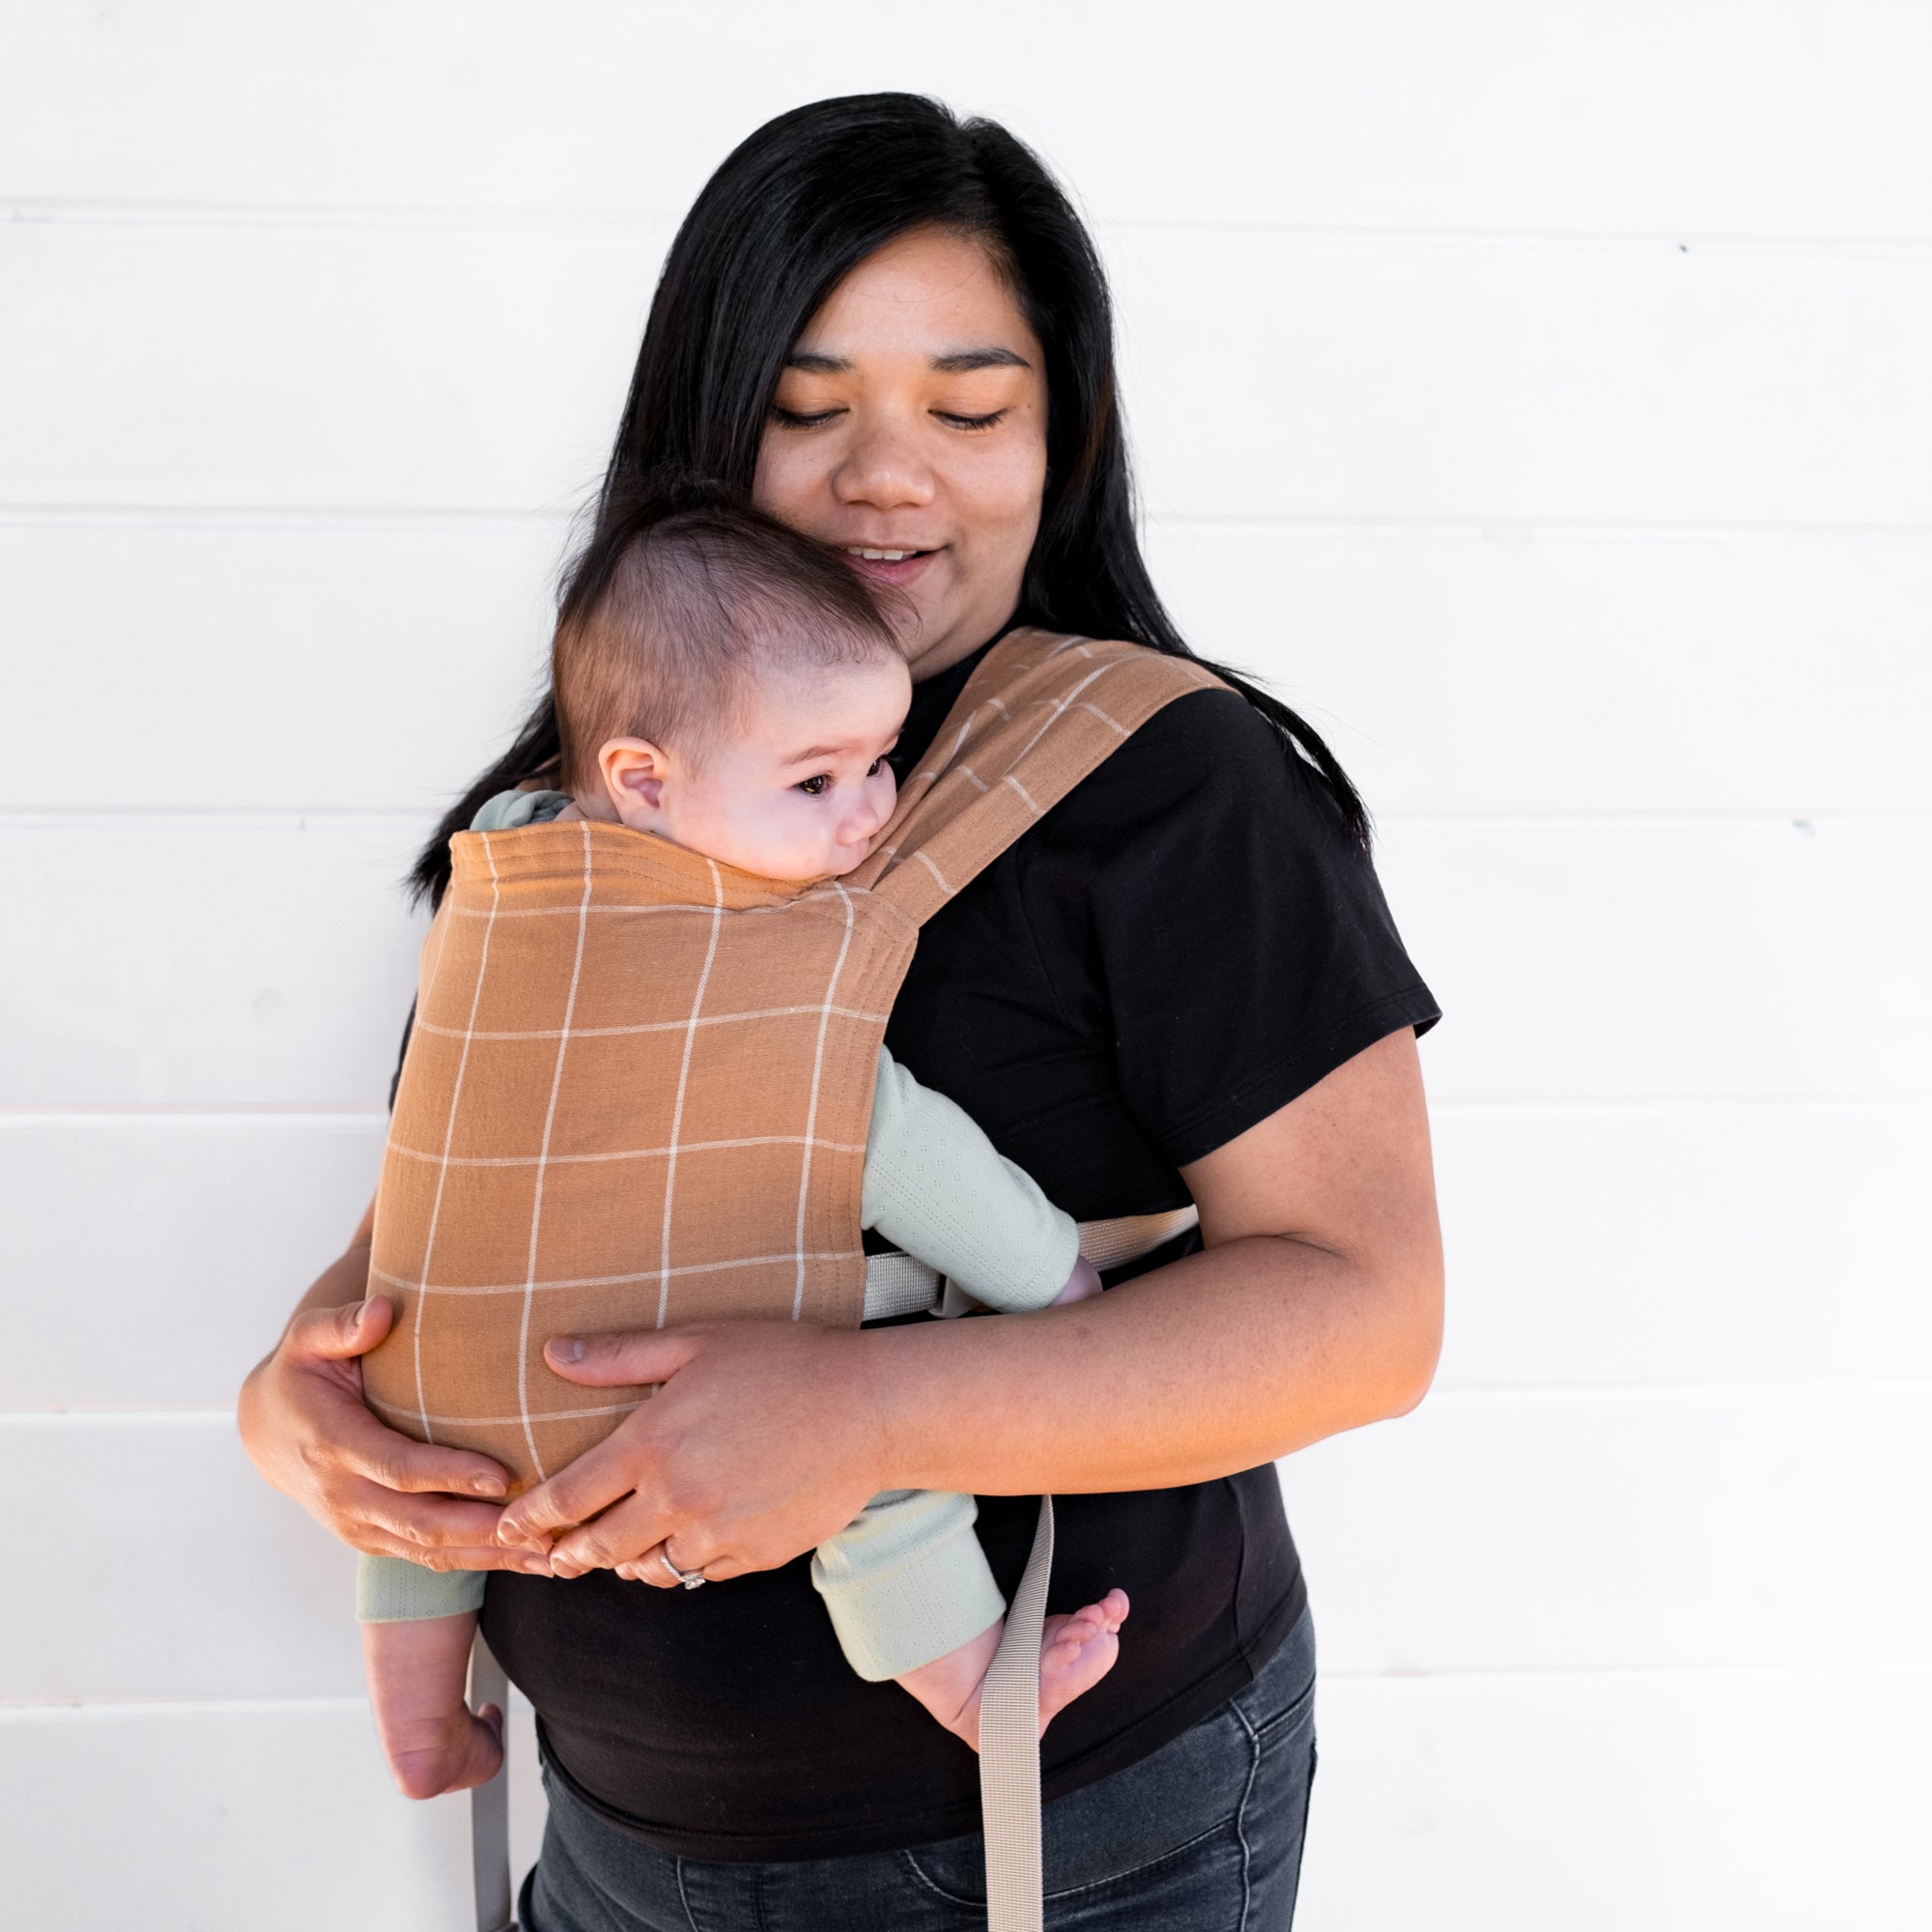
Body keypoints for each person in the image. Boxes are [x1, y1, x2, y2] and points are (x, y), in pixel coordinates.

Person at [240, 93, 1444, 1929]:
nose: (891, 477)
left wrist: (866, 1415)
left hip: (1063, 1836)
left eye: (970, 410)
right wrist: (302, 1405)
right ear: (706, 425)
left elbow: (1371, 1319)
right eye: (811, 410)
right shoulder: (587, 818)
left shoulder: (1173, 789)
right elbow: (464, 1200)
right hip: (615, 1837)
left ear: (1061, 437)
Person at [355, 494, 1127, 1802]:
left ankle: (420, 1722)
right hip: (672, 1421)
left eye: (881, 762)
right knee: (868, 1451)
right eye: (815, 780)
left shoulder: (504, 878)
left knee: (415, 1467)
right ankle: (969, 1682)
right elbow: (898, 1147)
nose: (868, 812)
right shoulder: (761, 961)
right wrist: (1053, 1276)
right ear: (646, 781)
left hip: (443, 1400)